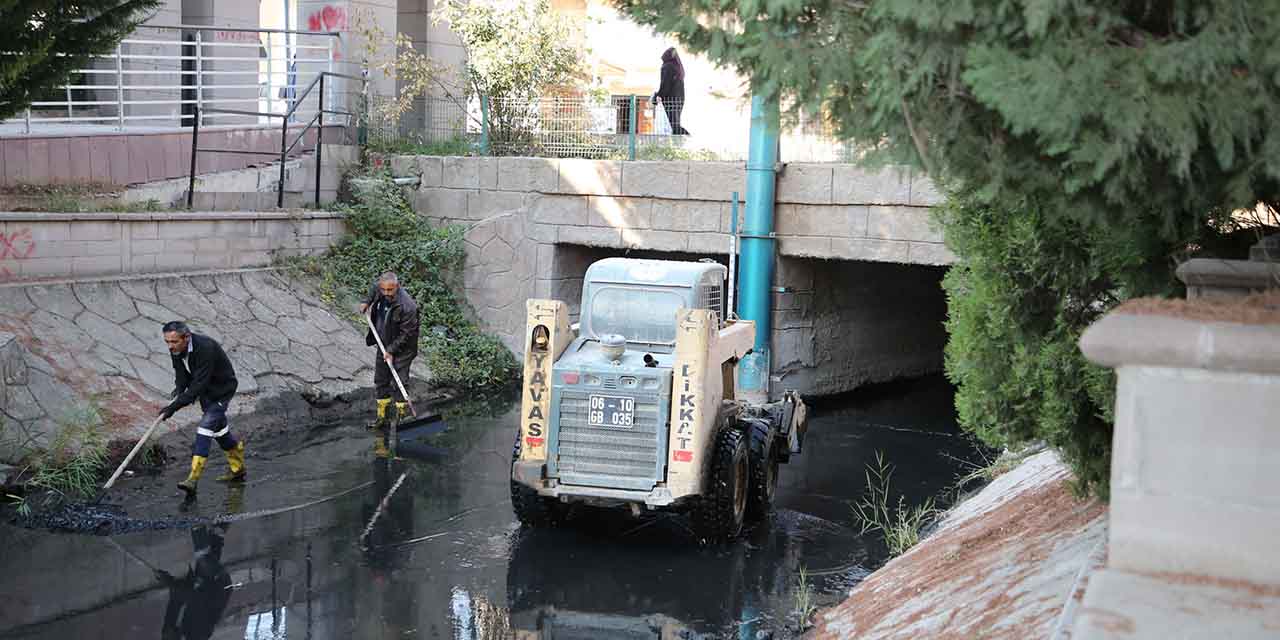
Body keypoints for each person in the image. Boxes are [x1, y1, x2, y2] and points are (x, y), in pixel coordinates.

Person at [159, 321, 245, 497]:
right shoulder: (176, 348)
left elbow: (199, 384)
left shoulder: (205, 348)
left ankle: (192, 479)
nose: (170, 346)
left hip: (221, 390)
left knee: (205, 428)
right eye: (167, 341)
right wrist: (179, 389)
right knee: (220, 432)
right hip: (206, 392)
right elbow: (181, 372)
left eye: (174, 342)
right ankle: (238, 469)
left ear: (187, 337)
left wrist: (173, 407)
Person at [358, 272, 420, 430]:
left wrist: (392, 350)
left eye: (390, 290)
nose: (386, 294)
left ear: (397, 287)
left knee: (399, 384)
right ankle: (381, 420)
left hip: (403, 350)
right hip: (383, 344)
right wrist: (367, 301)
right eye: (383, 290)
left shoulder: (409, 307)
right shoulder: (380, 289)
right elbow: (374, 289)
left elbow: (407, 334)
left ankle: (401, 422)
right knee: (381, 381)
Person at [156, 525, 233, 640]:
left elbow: (175, 601)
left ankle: (222, 524)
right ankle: (195, 520)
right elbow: (196, 598)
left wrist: (168, 581)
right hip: (220, 586)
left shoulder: (172, 633)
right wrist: (171, 582)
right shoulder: (199, 634)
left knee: (212, 545)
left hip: (203, 589)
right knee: (203, 558)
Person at [652, 47, 689, 135]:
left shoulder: (667, 66)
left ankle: (689, 140)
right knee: (675, 124)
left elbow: (665, 84)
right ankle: (683, 141)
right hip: (679, 100)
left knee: (674, 126)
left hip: (670, 100)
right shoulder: (679, 68)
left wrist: (658, 96)